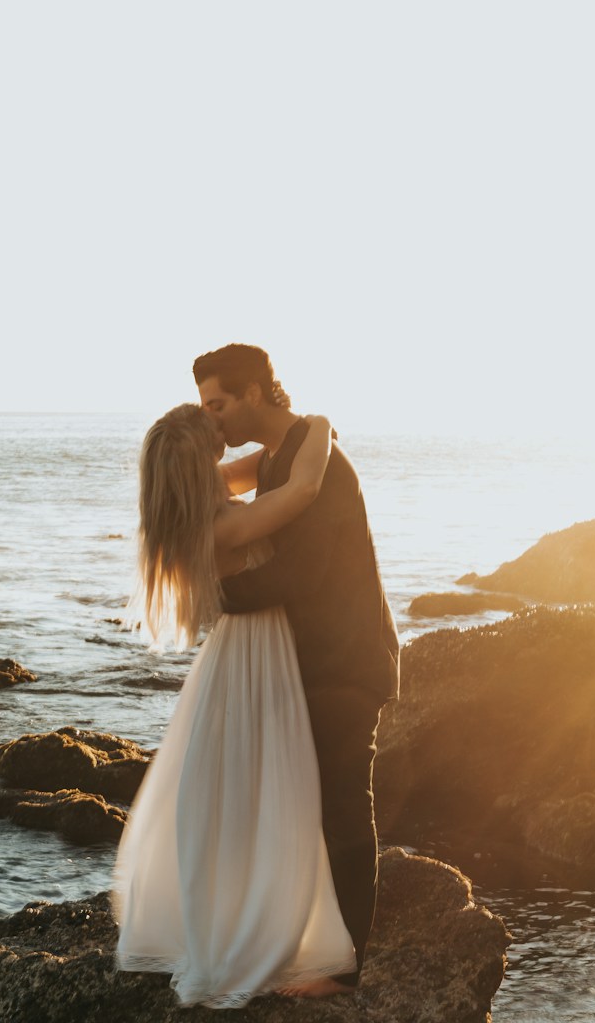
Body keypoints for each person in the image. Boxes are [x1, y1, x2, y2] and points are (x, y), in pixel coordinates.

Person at [112, 401, 357, 1008]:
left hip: (241, 655)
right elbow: (301, 488)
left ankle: (245, 909)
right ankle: (251, 929)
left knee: (235, 789)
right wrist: (320, 425)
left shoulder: (192, 507)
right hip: (255, 656)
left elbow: (257, 466)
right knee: (266, 789)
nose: (223, 434)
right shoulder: (222, 526)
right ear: (199, 460)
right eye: (212, 433)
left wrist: (274, 441)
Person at [192, 343, 400, 998]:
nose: (214, 421)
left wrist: (211, 597)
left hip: (345, 662)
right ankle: (300, 946)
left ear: (254, 392)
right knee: (297, 809)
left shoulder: (323, 466)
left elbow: (299, 574)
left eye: (217, 405)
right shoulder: (284, 455)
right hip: (307, 660)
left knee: (342, 809)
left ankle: (343, 973)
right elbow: (210, 484)